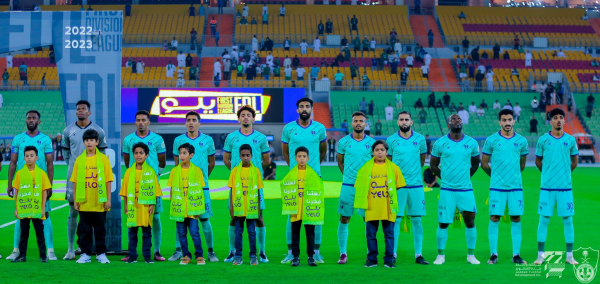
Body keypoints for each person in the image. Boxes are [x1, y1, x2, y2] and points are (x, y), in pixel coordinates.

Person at [281, 98, 327, 264]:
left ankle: (315, 252)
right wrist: (294, 169)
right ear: (297, 110)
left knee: (315, 214)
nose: (304, 109)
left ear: (312, 109)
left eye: (307, 106)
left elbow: (323, 151)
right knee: (292, 215)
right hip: (294, 179)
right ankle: (290, 252)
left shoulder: (319, 128)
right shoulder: (289, 128)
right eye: (301, 106)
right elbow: (285, 152)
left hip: (314, 178)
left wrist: (313, 169)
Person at [430, 114, 481, 265]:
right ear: (448, 125)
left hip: (465, 189)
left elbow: (475, 164)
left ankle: (471, 255)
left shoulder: (471, 143)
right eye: (453, 119)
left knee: (470, 220)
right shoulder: (440, 143)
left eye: (459, 119)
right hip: (447, 190)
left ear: (462, 123)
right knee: (443, 222)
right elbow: (433, 166)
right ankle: (440, 255)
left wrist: (465, 177)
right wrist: (444, 178)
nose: (456, 121)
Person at [222, 106, 271, 263]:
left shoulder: (261, 138)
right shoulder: (231, 137)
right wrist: (238, 174)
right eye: (242, 115)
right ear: (238, 119)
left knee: (258, 217)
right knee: (234, 217)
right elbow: (225, 159)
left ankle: (261, 251)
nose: (245, 118)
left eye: (248, 115)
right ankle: (232, 251)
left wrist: (253, 175)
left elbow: (267, 160)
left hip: (254, 185)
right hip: (237, 185)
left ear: (253, 119)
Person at [60, 100, 108, 260]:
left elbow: (103, 156)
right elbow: (66, 154)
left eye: (83, 109)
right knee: (73, 210)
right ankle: (70, 248)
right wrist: (76, 169)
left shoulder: (98, 131)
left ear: (89, 112)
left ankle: (92, 249)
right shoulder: (68, 131)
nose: (80, 111)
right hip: (76, 178)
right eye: (78, 109)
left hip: (94, 179)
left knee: (96, 214)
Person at [480, 109, 528, 264]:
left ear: (514, 121)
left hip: (515, 187)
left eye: (510, 120)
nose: (507, 123)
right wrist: (495, 177)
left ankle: (516, 255)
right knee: (494, 217)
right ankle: (493, 254)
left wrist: (512, 177)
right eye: (504, 120)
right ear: (499, 122)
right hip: (497, 188)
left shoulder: (521, 141)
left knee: (516, 217)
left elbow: (522, 165)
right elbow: (484, 164)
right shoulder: (491, 140)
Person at [6, 110, 56, 261]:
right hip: (23, 185)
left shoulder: (46, 139)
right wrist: (10, 184)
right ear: (26, 121)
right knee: (21, 216)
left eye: (34, 118)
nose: (31, 120)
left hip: (40, 185)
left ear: (39, 121)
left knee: (45, 215)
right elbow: (13, 162)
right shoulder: (18, 139)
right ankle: (16, 250)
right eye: (29, 118)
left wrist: (49, 186)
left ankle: (50, 251)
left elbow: (49, 164)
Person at [168, 111, 218, 262]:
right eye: (188, 120)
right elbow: (177, 164)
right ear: (185, 123)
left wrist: (201, 180)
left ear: (199, 123)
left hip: (201, 187)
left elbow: (212, 163)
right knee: (180, 219)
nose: (191, 122)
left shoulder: (208, 140)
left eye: (194, 120)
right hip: (182, 188)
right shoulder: (178, 140)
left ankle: (210, 251)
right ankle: (179, 251)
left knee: (204, 219)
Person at [533, 108, 579, 265]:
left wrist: (565, 173)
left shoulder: (571, 140)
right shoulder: (543, 140)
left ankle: (570, 256)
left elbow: (575, 161)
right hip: (547, 188)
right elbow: (538, 161)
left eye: (561, 117)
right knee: (544, 220)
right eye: (555, 118)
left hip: (565, 188)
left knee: (567, 220)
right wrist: (546, 174)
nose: (558, 120)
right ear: (550, 121)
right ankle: (540, 256)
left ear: (564, 120)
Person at [121, 110, 167, 262]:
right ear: (135, 122)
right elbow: (127, 161)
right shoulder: (128, 139)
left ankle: (157, 251)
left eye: (143, 120)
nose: (141, 122)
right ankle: (132, 252)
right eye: (138, 120)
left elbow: (162, 160)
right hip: (134, 184)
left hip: (150, 184)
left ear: (149, 122)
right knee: (133, 220)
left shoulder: (157, 139)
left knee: (154, 217)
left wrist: (155, 175)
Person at [386, 111, 429, 264]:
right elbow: (389, 163)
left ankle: (418, 255)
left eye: (407, 119)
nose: (404, 122)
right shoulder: (391, 140)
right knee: (396, 220)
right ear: (397, 122)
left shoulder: (420, 139)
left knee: (417, 219)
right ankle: (393, 253)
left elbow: (422, 161)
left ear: (411, 122)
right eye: (401, 119)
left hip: (416, 185)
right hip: (398, 186)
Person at [354, 140, 406, 268]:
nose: (379, 152)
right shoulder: (365, 168)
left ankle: (389, 259)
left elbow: (398, 185)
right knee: (371, 235)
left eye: (382, 150)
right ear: (372, 152)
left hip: (388, 207)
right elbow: (359, 187)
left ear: (387, 152)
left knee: (389, 234)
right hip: (371, 207)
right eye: (377, 150)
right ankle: (372, 259)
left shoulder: (393, 167)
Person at [335, 112, 376, 264]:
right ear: (351, 124)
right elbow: (340, 162)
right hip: (348, 186)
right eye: (355, 121)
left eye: (361, 121)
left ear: (366, 123)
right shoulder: (344, 142)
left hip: (366, 187)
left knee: (368, 219)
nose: (358, 123)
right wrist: (348, 177)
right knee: (344, 218)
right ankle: (343, 253)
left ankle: (369, 253)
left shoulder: (372, 143)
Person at [70, 129, 113, 264]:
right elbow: (75, 181)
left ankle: (101, 253)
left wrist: (108, 200)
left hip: (99, 202)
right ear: (83, 143)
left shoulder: (103, 160)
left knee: (100, 230)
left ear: (97, 142)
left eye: (92, 140)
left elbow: (108, 181)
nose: (89, 143)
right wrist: (76, 199)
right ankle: (85, 254)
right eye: (87, 140)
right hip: (84, 202)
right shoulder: (79, 160)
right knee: (84, 231)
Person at [280, 146, 324, 267]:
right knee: (295, 232)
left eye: (304, 156)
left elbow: (319, 189)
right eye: (299, 156)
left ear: (308, 158)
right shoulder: (292, 174)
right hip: (295, 208)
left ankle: (311, 257)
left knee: (310, 233)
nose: (302, 159)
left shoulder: (312, 174)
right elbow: (285, 186)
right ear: (295, 158)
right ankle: (295, 257)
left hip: (308, 208)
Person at [120, 143, 162, 264]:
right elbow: (125, 191)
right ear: (133, 155)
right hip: (133, 206)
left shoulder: (151, 171)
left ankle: (147, 256)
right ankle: (132, 256)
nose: (138, 155)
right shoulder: (128, 172)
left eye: (141, 153)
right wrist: (126, 206)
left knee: (146, 233)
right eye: (136, 153)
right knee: (132, 233)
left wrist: (151, 205)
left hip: (145, 206)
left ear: (146, 155)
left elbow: (154, 191)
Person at [10, 145, 51, 263]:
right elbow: (16, 191)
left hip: (37, 209)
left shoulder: (42, 173)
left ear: (37, 158)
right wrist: (16, 209)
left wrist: (43, 208)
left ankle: (43, 256)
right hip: (24, 209)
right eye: (27, 156)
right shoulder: (20, 173)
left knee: (40, 233)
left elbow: (44, 191)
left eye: (31, 156)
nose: (29, 158)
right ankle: (22, 255)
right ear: (24, 157)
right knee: (24, 233)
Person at [168, 143, 206, 265]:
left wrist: (200, 209)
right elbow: (172, 190)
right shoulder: (174, 171)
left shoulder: (197, 171)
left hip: (193, 209)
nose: (181, 156)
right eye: (180, 153)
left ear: (191, 155)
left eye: (184, 153)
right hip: (179, 208)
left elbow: (199, 190)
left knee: (195, 232)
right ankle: (186, 255)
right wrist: (173, 205)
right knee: (181, 234)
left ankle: (199, 255)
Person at [226, 144, 264, 266]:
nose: (246, 157)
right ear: (239, 156)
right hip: (238, 207)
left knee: (252, 231)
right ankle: (238, 255)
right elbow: (232, 191)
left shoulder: (256, 171)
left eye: (248, 155)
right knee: (238, 231)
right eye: (243, 155)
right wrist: (231, 208)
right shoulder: (235, 171)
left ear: (252, 156)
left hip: (251, 207)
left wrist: (258, 209)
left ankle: (253, 255)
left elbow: (258, 191)